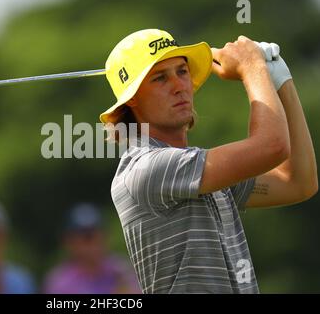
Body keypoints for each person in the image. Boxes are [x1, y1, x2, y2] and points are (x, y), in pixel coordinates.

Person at [99, 29, 317, 293]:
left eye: (182, 71)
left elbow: (297, 182)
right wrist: (252, 68)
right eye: (159, 78)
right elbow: (272, 146)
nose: (180, 85)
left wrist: (281, 80)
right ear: (132, 98)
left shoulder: (200, 172)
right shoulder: (146, 168)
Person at [43, 203, 141, 294]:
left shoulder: (122, 270)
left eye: (99, 234)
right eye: (87, 237)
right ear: (69, 241)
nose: (96, 242)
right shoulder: (59, 283)